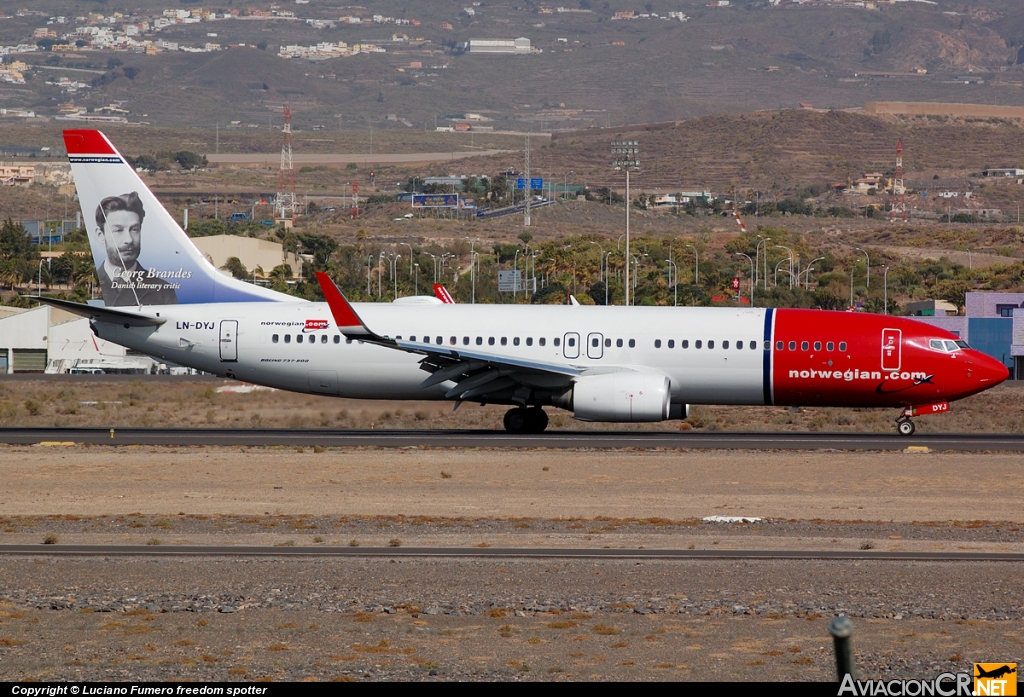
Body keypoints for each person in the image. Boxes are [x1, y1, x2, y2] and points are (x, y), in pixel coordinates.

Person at [93, 191, 177, 306]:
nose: (129, 239)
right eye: (118, 230)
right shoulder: (90, 283)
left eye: (134, 230)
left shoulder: (162, 290)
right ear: (100, 235)